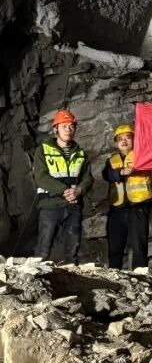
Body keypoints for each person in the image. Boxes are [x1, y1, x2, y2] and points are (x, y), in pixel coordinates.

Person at [33, 110, 92, 263]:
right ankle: (33, 275)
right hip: (50, 205)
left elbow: (87, 178)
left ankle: (71, 275)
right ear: (55, 129)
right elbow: (41, 177)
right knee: (43, 249)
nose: (68, 130)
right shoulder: (43, 150)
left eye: (71, 126)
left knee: (72, 250)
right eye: (64, 126)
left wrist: (79, 190)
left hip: (73, 206)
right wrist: (66, 191)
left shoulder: (81, 153)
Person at [101, 123, 152, 270]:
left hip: (139, 206)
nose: (124, 141)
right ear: (116, 143)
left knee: (139, 246)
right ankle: (113, 275)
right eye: (120, 139)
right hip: (117, 209)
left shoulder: (143, 155)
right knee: (115, 247)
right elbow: (106, 175)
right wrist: (120, 172)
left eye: (128, 138)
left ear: (134, 140)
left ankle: (141, 275)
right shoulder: (111, 160)